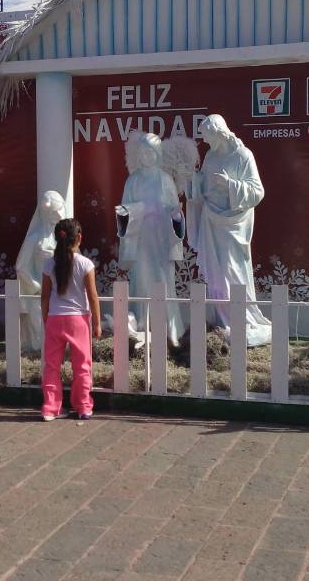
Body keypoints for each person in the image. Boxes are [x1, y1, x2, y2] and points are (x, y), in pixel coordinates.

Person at [187, 114, 271, 347]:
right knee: (215, 272)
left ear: (218, 132)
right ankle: (221, 320)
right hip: (211, 222)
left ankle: (242, 319)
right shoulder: (211, 156)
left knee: (232, 269)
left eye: (206, 135)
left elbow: (257, 192)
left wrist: (230, 185)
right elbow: (203, 187)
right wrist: (194, 180)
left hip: (233, 225)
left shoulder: (243, 156)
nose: (204, 140)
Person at [117, 133, 185, 345]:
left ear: (157, 155)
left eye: (150, 152)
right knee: (142, 281)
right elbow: (123, 212)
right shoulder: (133, 180)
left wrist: (174, 215)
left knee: (163, 281)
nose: (146, 156)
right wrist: (140, 210)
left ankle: (169, 329)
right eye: (143, 153)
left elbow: (174, 209)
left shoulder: (164, 180)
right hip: (140, 239)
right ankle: (144, 328)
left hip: (161, 239)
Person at [40, 219, 101, 421]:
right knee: (82, 365)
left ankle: (50, 407)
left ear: (57, 238)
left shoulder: (49, 264)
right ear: (80, 238)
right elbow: (92, 297)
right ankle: (83, 406)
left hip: (55, 318)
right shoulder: (85, 264)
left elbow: (45, 296)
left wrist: (45, 318)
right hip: (78, 320)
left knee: (51, 365)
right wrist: (98, 323)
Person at [15, 190, 66, 353]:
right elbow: (21, 266)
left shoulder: (62, 239)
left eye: (60, 210)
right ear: (46, 212)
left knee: (58, 336)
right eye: (54, 211)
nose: (59, 215)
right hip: (38, 296)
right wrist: (35, 285)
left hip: (59, 293)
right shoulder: (34, 239)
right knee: (41, 339)